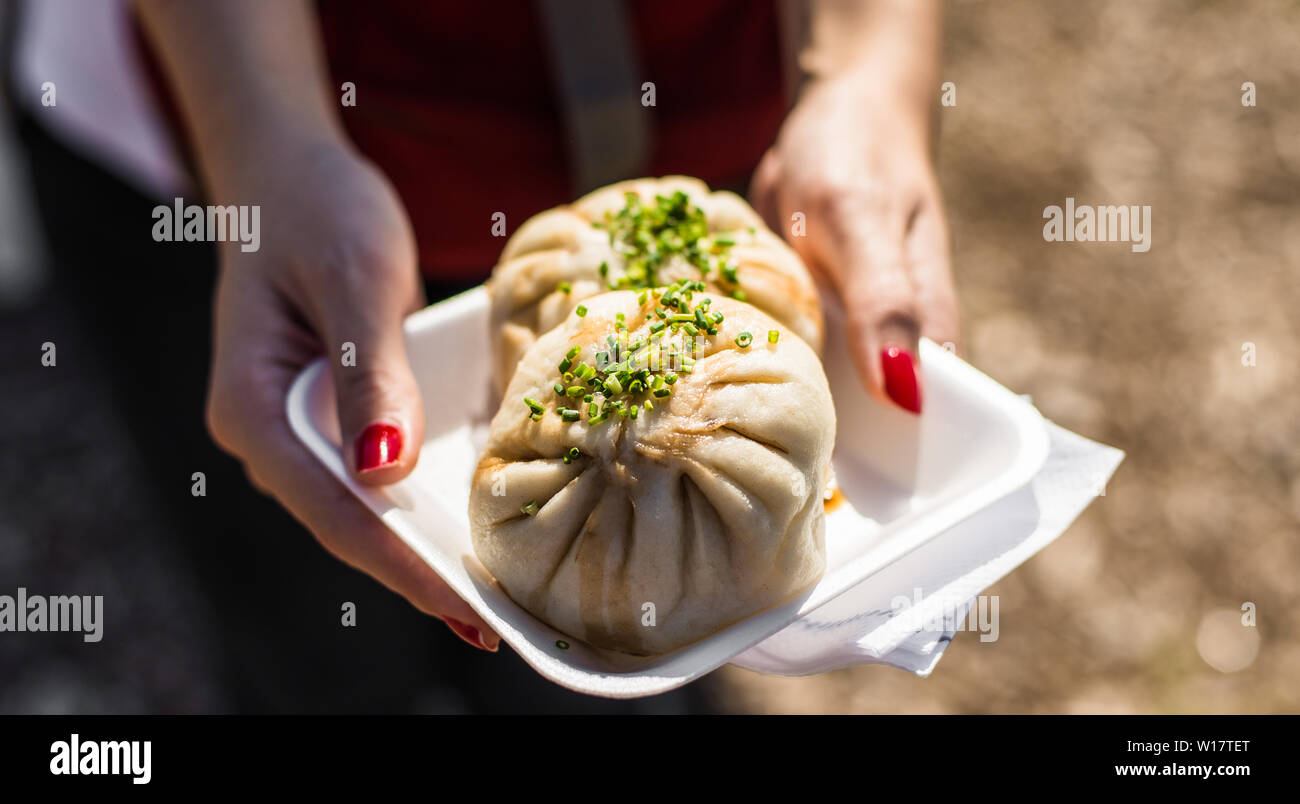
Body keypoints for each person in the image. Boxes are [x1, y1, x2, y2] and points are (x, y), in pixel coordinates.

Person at [131, 0, 958, 654]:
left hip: (732, 94)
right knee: (313, 641)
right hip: (280, 166)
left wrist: (866, 77)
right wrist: (260, 149)